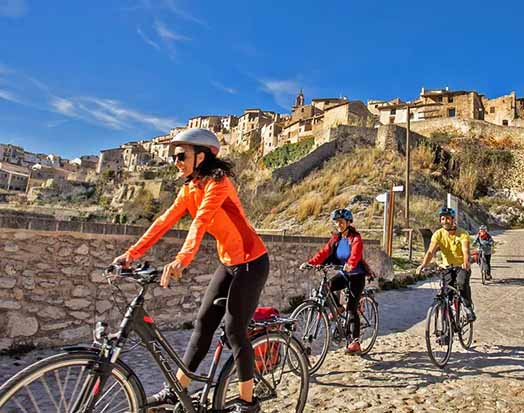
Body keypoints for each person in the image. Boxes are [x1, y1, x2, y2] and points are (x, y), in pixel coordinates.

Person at [113, 128, 268, 413]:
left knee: (235, 330)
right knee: (203, 324)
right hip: (229, 261)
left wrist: (181, 259)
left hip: (252, 262)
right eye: (174, 156)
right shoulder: (189, 189)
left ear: (202, 155)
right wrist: (131, 254)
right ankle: (179, 389)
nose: (176, 161)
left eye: (181, 155)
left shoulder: (219, 183)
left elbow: (201, 221)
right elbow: (163, 221)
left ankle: (248, 402)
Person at [300, 208, 372, 354]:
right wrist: (311, 263)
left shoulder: (355, 238)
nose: (338, 224)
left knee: (352, 308)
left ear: (348, 222)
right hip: (344, 274)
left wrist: (351, 264)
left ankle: (355, 342)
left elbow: (356, 254)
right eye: (336, 222)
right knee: (326, 288)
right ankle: (339, 308)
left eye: (341, 222)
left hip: (356, 276)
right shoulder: (336, 238)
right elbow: (324, 252)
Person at [416, 207, 476, 321]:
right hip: (447, 267)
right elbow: (430, 252)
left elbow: (466, 251)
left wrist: (466, 263)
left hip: (461, 266)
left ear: (453, 219)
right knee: (445, 296)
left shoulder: (463, 233)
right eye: (443, 219)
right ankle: (446, 330)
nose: (445, 221)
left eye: (448, 218)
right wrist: (422, 265)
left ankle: (468, 308)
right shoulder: (438, 234)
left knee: (461, 283)